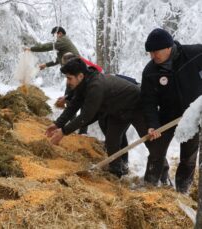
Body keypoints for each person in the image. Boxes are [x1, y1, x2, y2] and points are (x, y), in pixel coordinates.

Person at [46, 58, 159, 178]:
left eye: (69, 78)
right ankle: (116, 173)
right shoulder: (83, 83)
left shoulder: (95, 85)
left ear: (80, 76)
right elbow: (73, 106)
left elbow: (86, 116)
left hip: (137, 106)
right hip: (118, 110)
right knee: (112, 141)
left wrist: (63, 132)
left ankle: (160, 174)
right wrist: (58, 124)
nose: (68, 82)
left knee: (150, 139)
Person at [141, 28, 202, 193]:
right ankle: (150, 188)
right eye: (150, 52)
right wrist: (153, 124)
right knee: (156, 152)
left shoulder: (193, 54)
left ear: (168, 47)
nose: (153, 56)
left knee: (188, 158)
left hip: (192, 117)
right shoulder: (150, 72)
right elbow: (148, 101)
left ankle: (182, 192)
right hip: (167, 117)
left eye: (156, 51)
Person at [25, 27, 88, 134]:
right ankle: (75, 127)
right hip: (75, 75)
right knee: (70, 99)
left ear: (59, 33)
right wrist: (46, 65)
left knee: (73, 99)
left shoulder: (62, 40)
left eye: (54, 35)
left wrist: (31, 49)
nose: (53, 38)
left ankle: (78, 130)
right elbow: (58, 60)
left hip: (78, 76)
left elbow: (49, 46)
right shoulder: (63, 44)